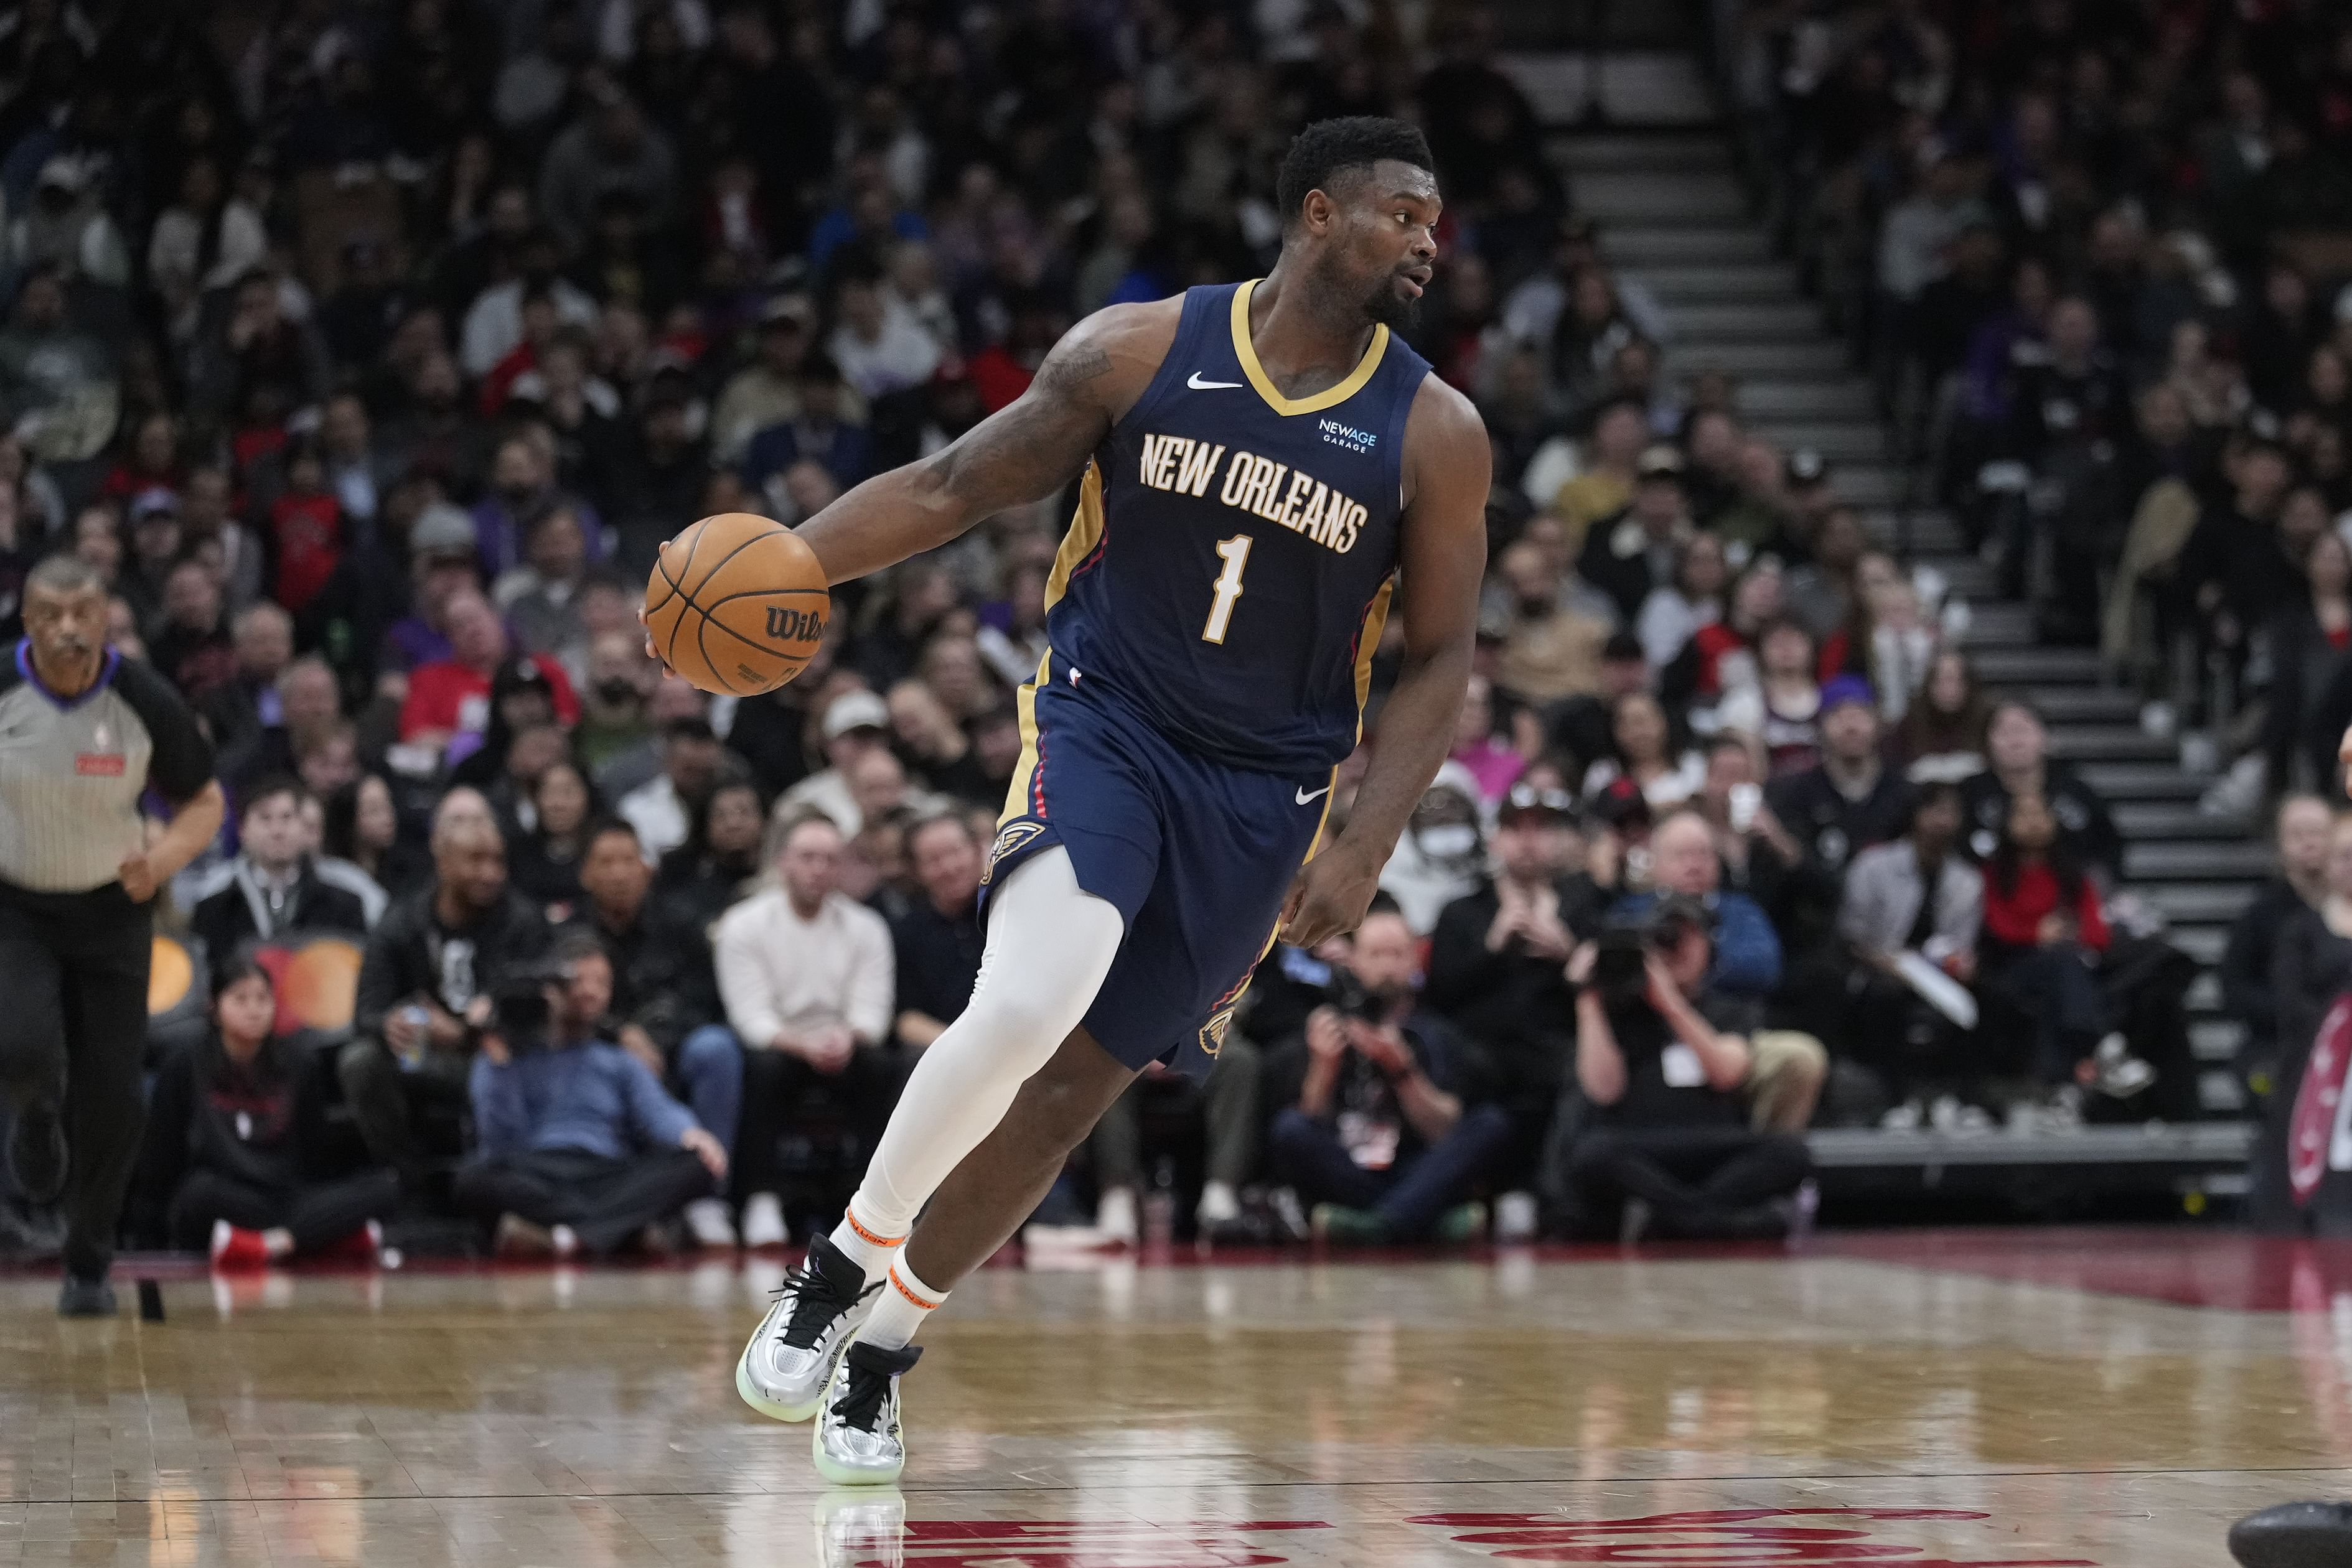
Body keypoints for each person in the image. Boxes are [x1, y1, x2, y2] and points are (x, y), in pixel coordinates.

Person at [706, 117, 1488, 1482]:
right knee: (1023, 999)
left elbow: (1440, 655)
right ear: (1316, 213)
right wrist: (784, 565)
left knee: (1070, 1093)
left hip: (1266, 790)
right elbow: (953, 486)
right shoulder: (1135, 351)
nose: (1428, 239)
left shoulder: (1434, 429)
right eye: (1402, 213)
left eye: (1434, 220)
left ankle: (884, 1347)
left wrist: (1365, 842)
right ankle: (836, 1266)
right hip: (1107, 721)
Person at [0, 556, 224, 1315]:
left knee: (115, 1097)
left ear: (105, 619)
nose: (68, 629)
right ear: (26, 622)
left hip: (111, 912)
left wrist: (160, 860)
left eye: (83, 614)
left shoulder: (142, 698)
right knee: (22, 1051)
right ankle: (34, 1119)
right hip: (16, 906)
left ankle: (89, 1261)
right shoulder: (4, 689)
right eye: (50, 614)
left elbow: (205, 802)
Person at [452, 935, 728, 1258]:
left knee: (697, 1165)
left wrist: (691, 1134)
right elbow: (500, 1144)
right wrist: (499, 1064)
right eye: (579, 980)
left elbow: (659, 1112)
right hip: (538, 1172)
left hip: (606, 1171)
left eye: (602, 982)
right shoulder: (506, 1057)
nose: (591, 991)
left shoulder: (618, 1059)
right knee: (472, 1178)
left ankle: (565, 1237)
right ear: (550, 988)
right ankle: (620, 1231)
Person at [1558, 896, 1813, 1240]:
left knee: (1790, 1153)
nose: (1678, 948)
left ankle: (1675, 1217)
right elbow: (1604, 1090)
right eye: (1665, 938)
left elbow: (1728, 1073)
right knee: (1593, 1153)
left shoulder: (1731, 1010)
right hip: (1643, 1144)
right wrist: (1587, 996)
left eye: (1689, 937)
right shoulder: (1620, 1012)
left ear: (1709, 947)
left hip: (1713, 1142)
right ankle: (1709, 1220)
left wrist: (1671, 1005)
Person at [711, 813, 900, 1251]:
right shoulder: (743, 924)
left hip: (843, 1043)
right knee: (765, 1068)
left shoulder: (866, 927)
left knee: (883, 1066)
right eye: (808, 857)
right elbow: (751, 1017)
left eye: (830, 859)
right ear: (783, 863)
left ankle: (874, 1203)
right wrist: (802, 1043)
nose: (818, 869)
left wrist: (847, 1038)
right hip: (781, 1045)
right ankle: (761, 1198)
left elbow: (873, 1012)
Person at [1267, 907, 1511, 1243]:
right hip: (1351, 1169)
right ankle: (1417, 1219)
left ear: (1415, 961)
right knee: (1290, 1128)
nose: (1386, 967)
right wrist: (1324, 1066)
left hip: (1417, 1168)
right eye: (1375, 955)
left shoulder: (1437, 1034)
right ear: (1354, 960)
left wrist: (1402, 1069)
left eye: (1396, 955)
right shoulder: (1328, 1027)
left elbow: (1443, 1131)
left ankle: (1375, 1225)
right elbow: (1311, 1118)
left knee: (1490, 1123)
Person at [339, 811, 552, 1192]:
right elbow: (366, 1013)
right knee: (361, 1061)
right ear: (443, 862)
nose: (490, 874)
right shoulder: (401, 922)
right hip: (422, 1053)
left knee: (511, 1062)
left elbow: (536, 1014)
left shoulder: (524, 922)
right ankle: (409, 1184)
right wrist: (394, 1022)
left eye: (498, 862)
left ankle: (506, 1187)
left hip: (493, 1055)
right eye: (475, 861)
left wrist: (468, 1031)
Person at [134, 959, 398, 1267]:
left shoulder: (301, 1065)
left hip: (286, 1196)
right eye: (240, 999)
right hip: (225, 1194)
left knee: (385, 1186)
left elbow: (313, 1153)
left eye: (263, 999)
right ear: (214, 1007)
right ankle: (319, 1239)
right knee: (196, 1195)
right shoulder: (185, 1064)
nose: (254, 1009)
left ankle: (269, 1244)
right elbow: (162, 1151)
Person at [563, 819, 741, 1249]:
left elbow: (705, 1002)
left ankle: (707, 1196)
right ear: (586, 874)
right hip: (599, 1054)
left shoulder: (680, 924)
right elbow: (566, 1007)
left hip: (674, 1050)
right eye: (606, 862)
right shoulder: (568, 936)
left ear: (646, 868)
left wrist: (654, 1041)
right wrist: (622, 1037)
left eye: (628, 860)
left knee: (718, 1048)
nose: (620, 873)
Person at [2222, 795, 2333, 1104]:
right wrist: (2293, 1013)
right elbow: (2235, 989)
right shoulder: (2260, 916)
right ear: (2280, 845)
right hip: (2276, 1044)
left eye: (2317, 833)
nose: (2308, 843)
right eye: (2297, 835)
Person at [189, 777, 372, 959]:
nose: (277, 831)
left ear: (304, 827)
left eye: (287, 818)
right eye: (265, 818)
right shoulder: (214, 911)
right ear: (242, 830)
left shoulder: (345, 907)